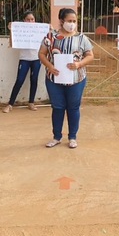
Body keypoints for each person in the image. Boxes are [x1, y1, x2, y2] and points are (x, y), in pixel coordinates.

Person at [39, 8, 94, 149]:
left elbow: (90, 55)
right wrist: (50, 66)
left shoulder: (82, 38)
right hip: (54, 79)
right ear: (62, 21)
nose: (72, 24)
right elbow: (42, 54)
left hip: (76, 80)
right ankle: (56, 137)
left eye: (74, 21)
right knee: (57, 107)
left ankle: (72, 137)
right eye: (69, 21)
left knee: (73, 107)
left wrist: (79, 64)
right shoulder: (51, 37)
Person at [2, 11, 42, 113]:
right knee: (19, 80)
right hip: (24, 59)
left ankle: (31, 102)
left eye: (32, 19)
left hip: (36, 59)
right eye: (28, 19)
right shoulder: (21, 32)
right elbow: (12, 43)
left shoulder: (38, 31)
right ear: (24, 21)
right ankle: (10, 104)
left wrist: (50, 29)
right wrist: (11, 30)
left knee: (34, 80)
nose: (30, 21)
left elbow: (47, 41)